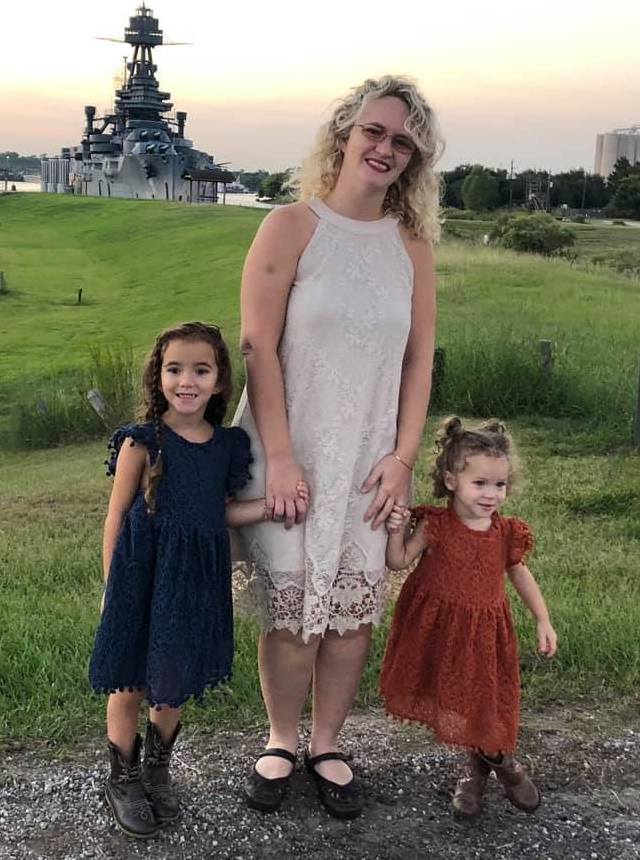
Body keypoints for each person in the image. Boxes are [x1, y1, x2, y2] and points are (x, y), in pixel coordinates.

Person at [233, 75, 442, 818]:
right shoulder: (292, 226)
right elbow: (258, 346)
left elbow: (420, 359)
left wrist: (404, 456)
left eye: (403, 142)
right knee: (292, 609)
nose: (385, 149)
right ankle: (282, 738)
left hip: (370, 457)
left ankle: (327, 741)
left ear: (414, 160)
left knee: (352, 612)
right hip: (290, 448)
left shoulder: (411, 247)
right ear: (345, 134)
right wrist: (282, 458)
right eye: (375, 132)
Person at [89, 321, 308, 839]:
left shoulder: (227, 445)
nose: (186, 380)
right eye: (174, 369)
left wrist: (272, 507)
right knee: (131, 676)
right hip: (141, 577)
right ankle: (121, 777)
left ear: (219, 381)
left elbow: (222, 513)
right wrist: (110, 587)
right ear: (158, 376)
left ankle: (158, 769)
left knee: (174, 676)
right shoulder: (142, 442)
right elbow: (116, 516)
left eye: (200, 370)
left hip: (193, 582)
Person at [380, 417, 558, 820]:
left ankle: (499, 765)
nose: (492, 494)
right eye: (481, 484)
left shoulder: (505, 532)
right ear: (450, 480)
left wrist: (543, 619)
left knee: (488, 704)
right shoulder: (436, 525)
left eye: (500, 485)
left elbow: (519, 574)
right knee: (462, 704)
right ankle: (479, 766)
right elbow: (398, 561)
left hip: (486, 633)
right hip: (440, 633)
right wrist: (395, 531)